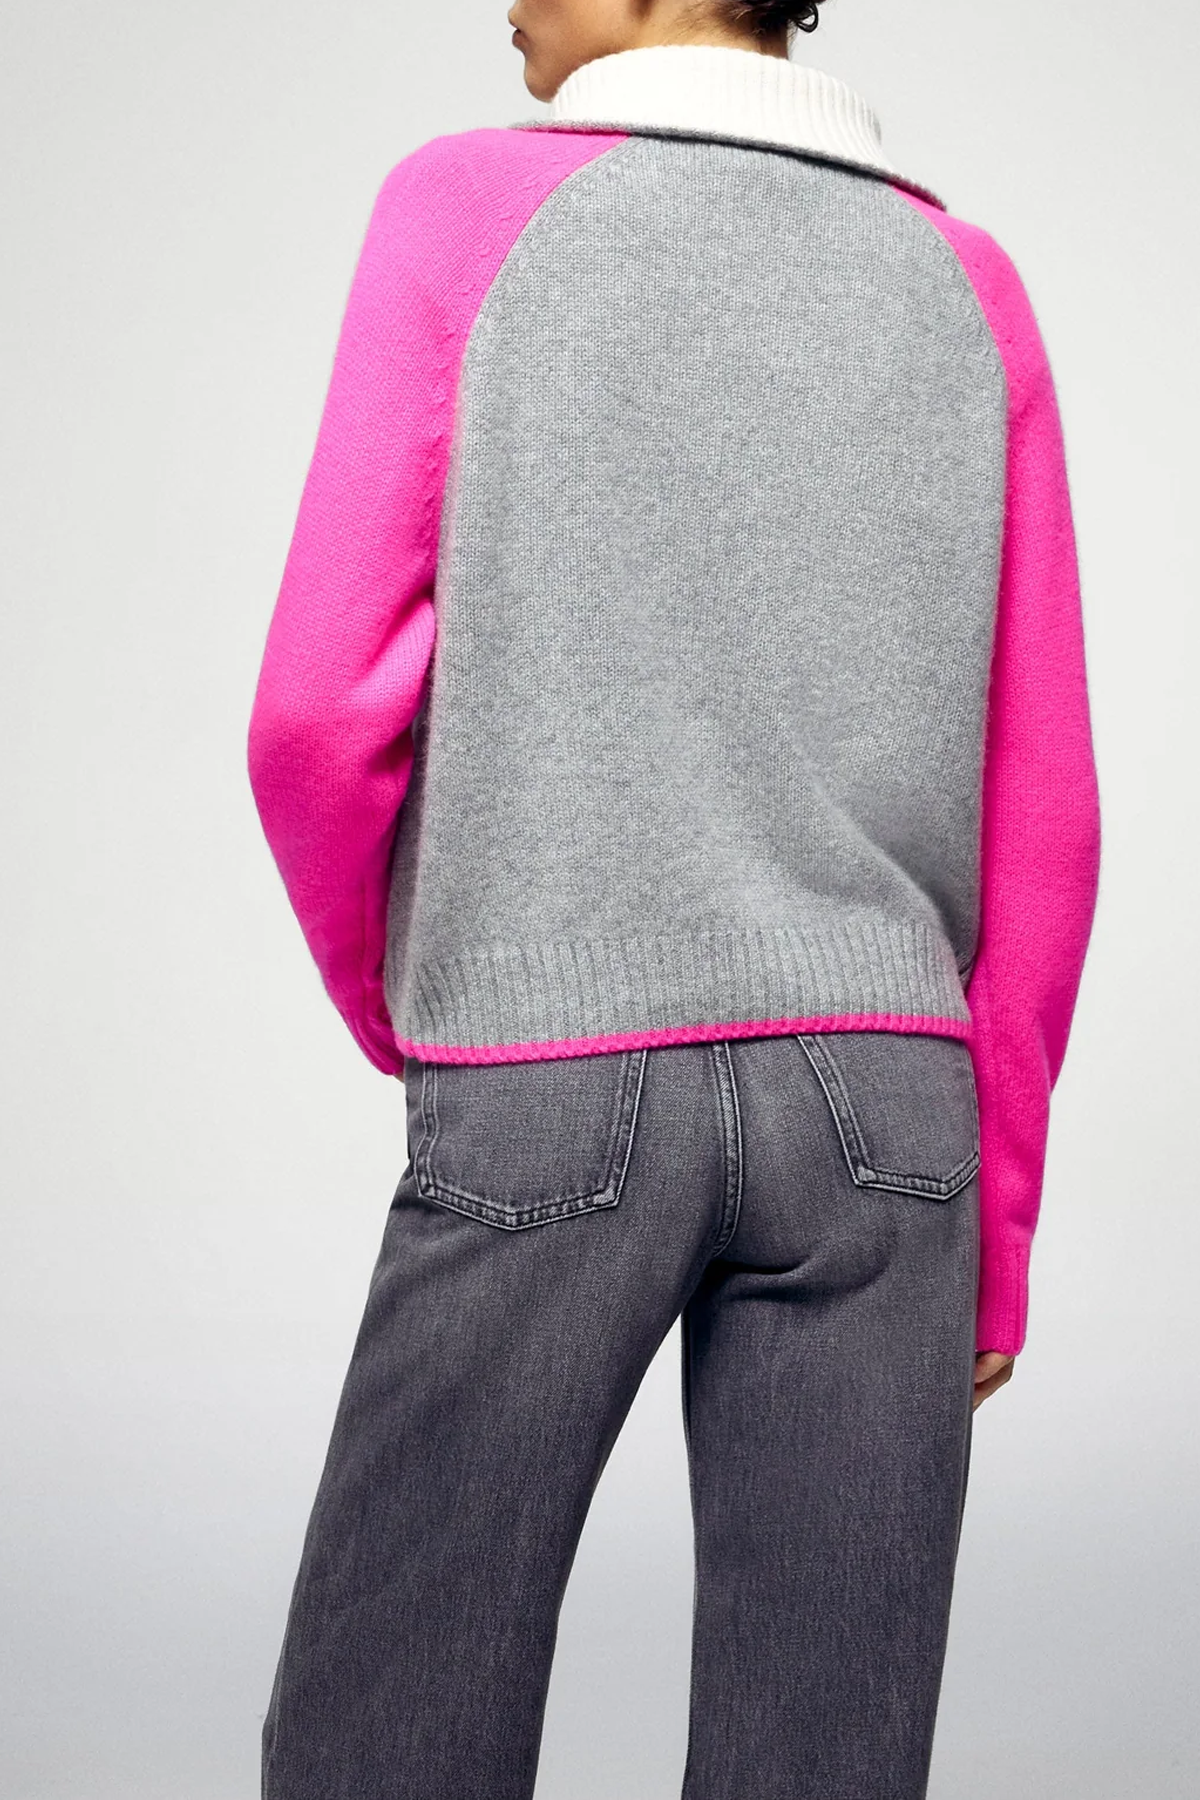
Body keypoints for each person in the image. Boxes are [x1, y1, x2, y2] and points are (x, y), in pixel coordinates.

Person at [246, 0, 1101, 1794]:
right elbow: (1045, 814)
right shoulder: (974, 288)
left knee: (390, 1721)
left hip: (553, 1062)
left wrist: (412, 998)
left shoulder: (464, 211)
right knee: (826, 1755)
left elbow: (316, 717)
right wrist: (1001, 1236)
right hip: (891, 1109)